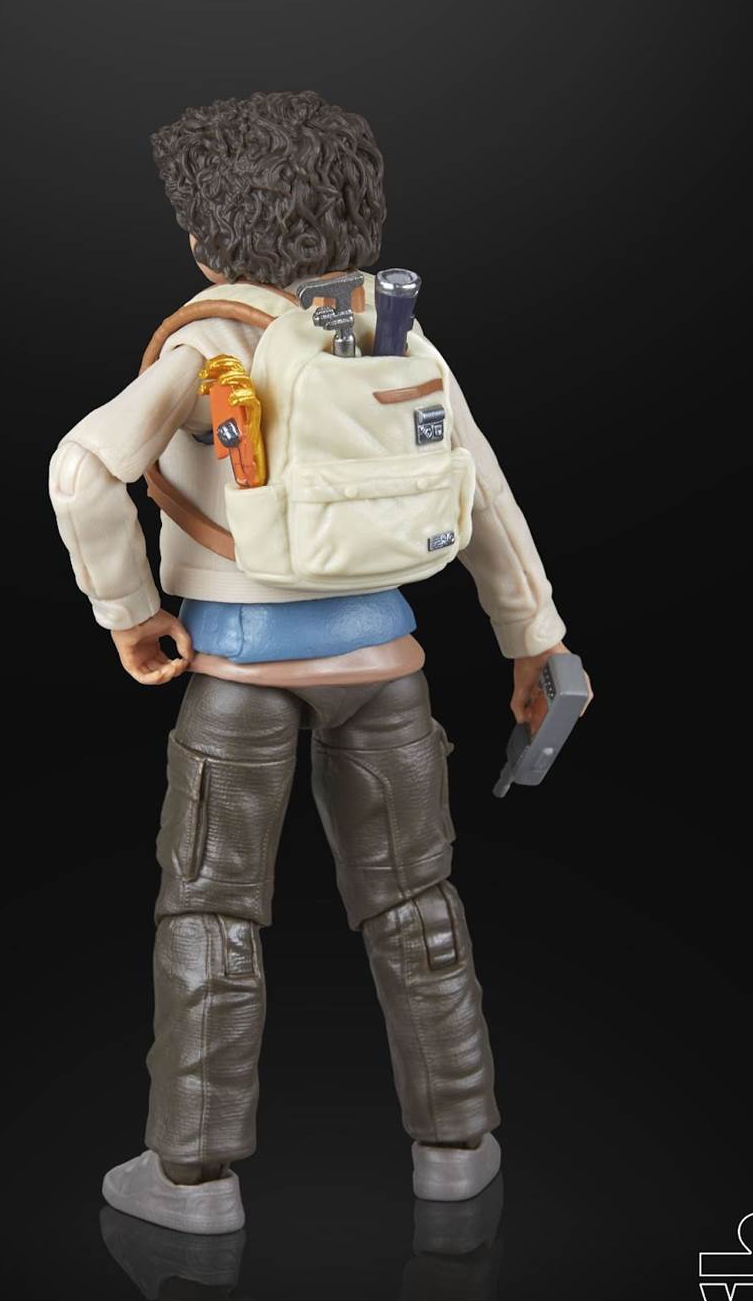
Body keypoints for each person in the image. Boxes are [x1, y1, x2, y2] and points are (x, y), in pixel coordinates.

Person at [48, 91, 589, 1234]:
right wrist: (535, 640)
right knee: (416, 901)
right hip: (387, 667)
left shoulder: (209, 344)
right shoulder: (391, 334)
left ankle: (192, 1181)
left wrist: (129, 613)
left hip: (238, 679)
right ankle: (457, 1149)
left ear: (207, 236)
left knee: (212, 913)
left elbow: (82, 470)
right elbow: (484, 495)